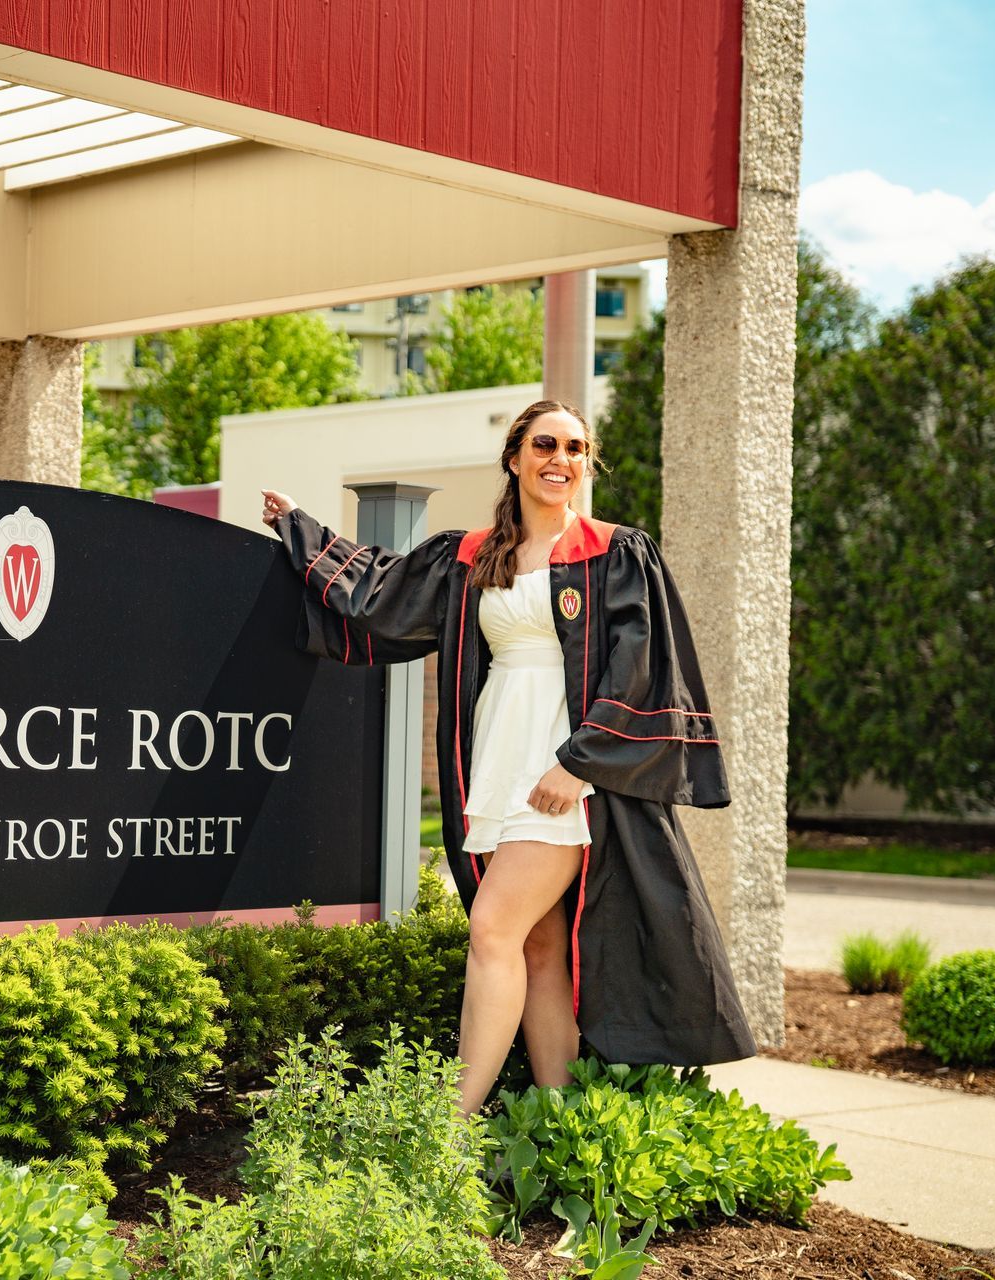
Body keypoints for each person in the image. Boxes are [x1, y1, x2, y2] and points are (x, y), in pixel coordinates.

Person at [261, 399, 755, 1114]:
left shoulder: (616, 553)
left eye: (577, 449)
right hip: (498, 760)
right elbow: (382, 594)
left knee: (492, 928)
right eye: (547, 445)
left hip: (565, 772)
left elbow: (639, 668)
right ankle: (559, 1123)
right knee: (535, 948)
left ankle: (448, 1126)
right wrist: (300, 531)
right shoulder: (472, 557)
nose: (562, 460)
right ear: (516, 458)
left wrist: (577, 763)